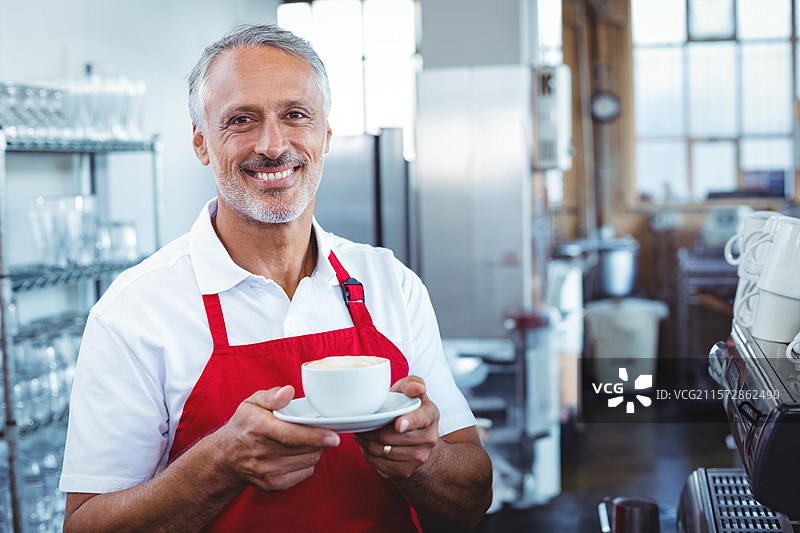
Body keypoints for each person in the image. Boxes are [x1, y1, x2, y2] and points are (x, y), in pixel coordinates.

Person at [59, 23, 493, 533]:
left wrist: (425, 462)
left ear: (326, 135)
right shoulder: (136, 311)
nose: (271, 145)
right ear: (201, 143)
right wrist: (218, 466)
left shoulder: (389, 283)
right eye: (242, 119)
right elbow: (85, 525)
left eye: (295, 115)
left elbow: (473, 496)